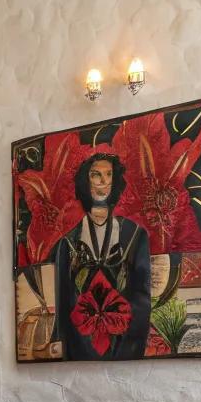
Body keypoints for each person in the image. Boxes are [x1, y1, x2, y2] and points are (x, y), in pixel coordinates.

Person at [53, 151, 151, 360]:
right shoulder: (66, 244)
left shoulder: (135, 236)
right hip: (80, 353)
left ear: (115, 182)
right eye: (95, 175)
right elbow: (63, 306)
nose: (103, 182)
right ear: (85, 182)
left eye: (108, 175)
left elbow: (141, 298)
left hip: (125, 349)